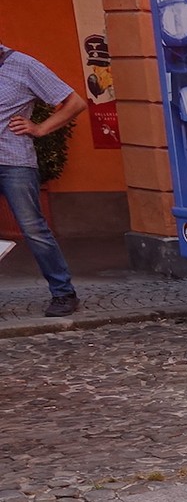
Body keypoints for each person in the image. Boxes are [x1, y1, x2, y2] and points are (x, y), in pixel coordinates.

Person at [1, 41, 86, 317]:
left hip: (14, 162)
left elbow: (75, 103)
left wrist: (39, 128)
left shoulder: (24, 66)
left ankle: (64, 293)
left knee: (34, 230)